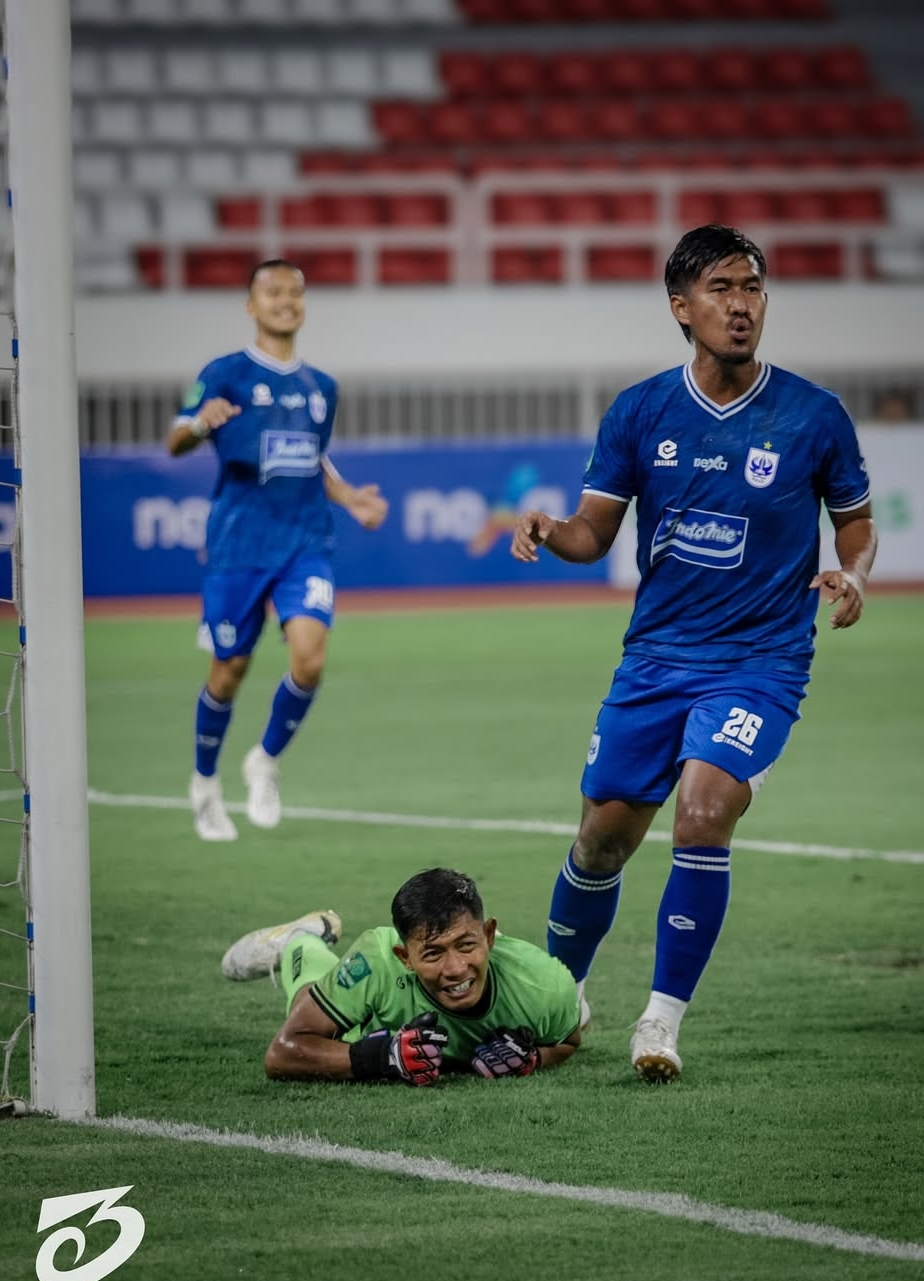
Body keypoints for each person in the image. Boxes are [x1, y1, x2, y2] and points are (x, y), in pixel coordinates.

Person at [510, 224, 877, 1085]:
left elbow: (854, 519)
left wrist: (854, 573)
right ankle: (564, 994)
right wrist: (548, 528)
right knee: (603, 839)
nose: (742, 303)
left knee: (705, 811)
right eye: (720, 288)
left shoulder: (814, 415)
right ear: (681, 307)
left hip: (762, 659)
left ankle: (660, 1024)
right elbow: (592, 528)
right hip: (656, 658)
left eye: (751, 286)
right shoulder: (641, 412)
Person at [167, 258, 388, 843]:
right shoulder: (225, 374)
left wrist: (348, 498)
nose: (286, 300)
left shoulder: (322, 388)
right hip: (239, 546)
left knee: (310, 660)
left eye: (295, 291)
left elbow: (313, 458)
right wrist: (197, 426)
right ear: (251, 304)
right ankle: (204, 784)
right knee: (228, 671)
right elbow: (174, 438)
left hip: (305, 544)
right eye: (273, 291)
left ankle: (264, 760)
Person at [221, 868, 583, 1084]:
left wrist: (534, 1058)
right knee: (309, 1009)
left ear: (488, 935)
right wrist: (381, 1058)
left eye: (467, 945)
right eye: (433, 953)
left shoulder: (545, 985)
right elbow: (283, 1053)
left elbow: (567, 1043)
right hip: (365, 1021)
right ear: (404, 956)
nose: (456, 968)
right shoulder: (378, 960)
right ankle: (300, 940)